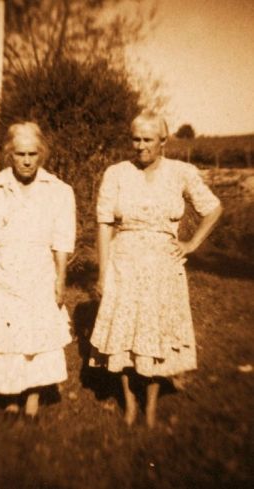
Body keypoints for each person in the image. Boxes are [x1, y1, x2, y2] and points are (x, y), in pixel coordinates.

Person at [90, 110, 222, 428]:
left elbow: (213, 208)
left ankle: (150, 407)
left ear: (163, 141)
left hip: (163, 266)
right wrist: (103, 272)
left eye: (148, 139)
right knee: (122, 335)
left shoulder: (181, 172)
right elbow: (104, 223)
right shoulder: (117, 173)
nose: (140, 146)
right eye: (135, 139)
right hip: (124, 263)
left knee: (157, 335)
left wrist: (191, 244)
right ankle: (130, 404)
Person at [0, 121, 76, 422]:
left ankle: (32, 399)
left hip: (38, 271)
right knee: (6, 336)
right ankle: (10, 397)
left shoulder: (58, 191)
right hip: (1, 270)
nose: (26, 160)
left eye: (33, 154)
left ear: (42, 154)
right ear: (9, 153)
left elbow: (62, 240)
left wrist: (60, 280)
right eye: (20, 153)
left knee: (35, 337)